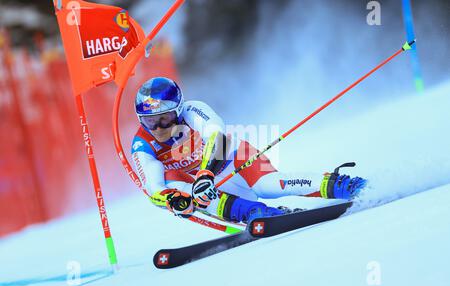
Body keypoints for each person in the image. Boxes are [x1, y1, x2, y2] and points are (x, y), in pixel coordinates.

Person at [131, 77, 366, 223]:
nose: (159, 127)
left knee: (270, 185)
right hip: (212, 189)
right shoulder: (142, 144)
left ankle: (343, 185)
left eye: (164, 118)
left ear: (179, 109)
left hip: (233, 160)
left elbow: (218, 137)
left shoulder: (194, 110)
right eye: (150, 121)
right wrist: (173, 201)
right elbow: (154, 188)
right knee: (177, 186)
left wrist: (205, 172)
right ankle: (255, 213)